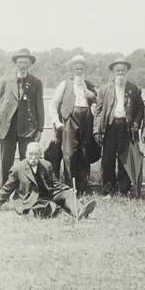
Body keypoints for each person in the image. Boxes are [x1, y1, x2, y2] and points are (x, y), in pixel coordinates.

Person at [0, 143, 96, 219]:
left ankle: (80, 212)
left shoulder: (46, 165)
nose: (33, 158)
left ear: (40, 154)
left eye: (36, 154)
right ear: (26, 154)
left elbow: (55, 183)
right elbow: (7, 189)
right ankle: (45, 209)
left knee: (68, 193)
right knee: (43, 209)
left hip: (46, 194)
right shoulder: (17, 168)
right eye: (31, 154)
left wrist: (68, 189)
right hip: (28, 199)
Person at [93, 56, 145, 196]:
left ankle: (124, 189)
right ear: (113, 72)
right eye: (117, 71)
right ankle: (108, 190)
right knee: (107, 159)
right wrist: (97, 131)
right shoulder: (104, 89)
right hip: (110, 127)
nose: (120, 73)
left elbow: (141, 108)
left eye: (123, 70)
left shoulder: (134, 89)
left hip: (126, 128)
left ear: (127, 71)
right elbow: (98, 111)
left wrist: (136, 122)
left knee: (125, 158)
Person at [0, 49, 45, 186]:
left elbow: (39, 106)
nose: (22, 65)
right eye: (20, 62)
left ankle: (26, 189)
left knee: (27, 159)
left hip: (28, 128)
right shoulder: (6, 81)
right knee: (6, 160)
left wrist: (39, 129)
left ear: (30, 64)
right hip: (7, 127)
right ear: (16, 63)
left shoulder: (36, 82)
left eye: (25, 63)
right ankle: (4, 189)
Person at [48, 55, 98, 193]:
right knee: (69, 154)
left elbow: (97, 108)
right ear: (71, 70)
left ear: (85, 70)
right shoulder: (64, 85)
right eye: (76, 69)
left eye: (82, 69)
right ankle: (70, 188)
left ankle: (82, 187)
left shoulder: (90, 86)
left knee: (84, 153)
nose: (79, 72)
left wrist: (93, 99)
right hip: (69, 122)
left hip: (87, 122)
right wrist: (56, 121)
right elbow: (53, 104)